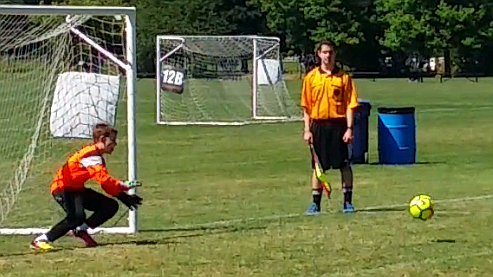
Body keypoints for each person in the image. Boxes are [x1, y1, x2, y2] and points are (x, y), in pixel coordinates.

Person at [30, 123, 143, 251]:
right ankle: (40, 240)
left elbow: (104, 182)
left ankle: (80, 230)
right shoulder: (91, 155)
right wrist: (121, 189)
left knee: (110, 206)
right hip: (62, 189)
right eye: (112, 140)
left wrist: (121, 195)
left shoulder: (96, 156)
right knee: (76, 217)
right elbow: (103, 179)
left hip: (76, 189)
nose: (115, 144)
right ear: (101, 139)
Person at [300, 40, 359, 214]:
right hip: (318, 125)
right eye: (324, 52)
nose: (328, 55)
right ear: (319, 54)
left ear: (335, 54)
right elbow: (306, 107)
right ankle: (315, 204)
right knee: (318, 166)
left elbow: (350, 104)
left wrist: (349, 128)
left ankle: (347, 202)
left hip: (339, 125)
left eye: (331, 52)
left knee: (344, 165)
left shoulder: (344, 78)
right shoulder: (311, 78)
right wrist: (307, 130)